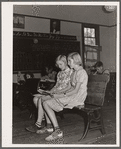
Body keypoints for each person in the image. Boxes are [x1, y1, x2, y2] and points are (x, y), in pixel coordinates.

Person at [42, 52, 88, 141]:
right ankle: (57, 130)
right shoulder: (74, 72)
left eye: (69, 61)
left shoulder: (81, 72)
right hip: (71, 95)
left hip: (77, 97)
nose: (68, 63)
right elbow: (70, 87)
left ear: (75, 61)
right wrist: (57, 94)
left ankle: (57, 131)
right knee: (46, 102)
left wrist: (61, 95)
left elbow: (76, 90)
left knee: (47, 102)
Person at [26, 55, 73, 133]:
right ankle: (48, 125)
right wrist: (49, 91)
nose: (59, 66)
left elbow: (69, 87)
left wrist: (54, 93)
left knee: (42, 99)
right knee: (35, 98)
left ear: (66, 63)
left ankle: (38, 124)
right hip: (55, 93)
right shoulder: (60, 73)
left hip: (63, 95)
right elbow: (56, 86)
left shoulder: (71, 72)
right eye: (58, 65)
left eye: (61, 64)